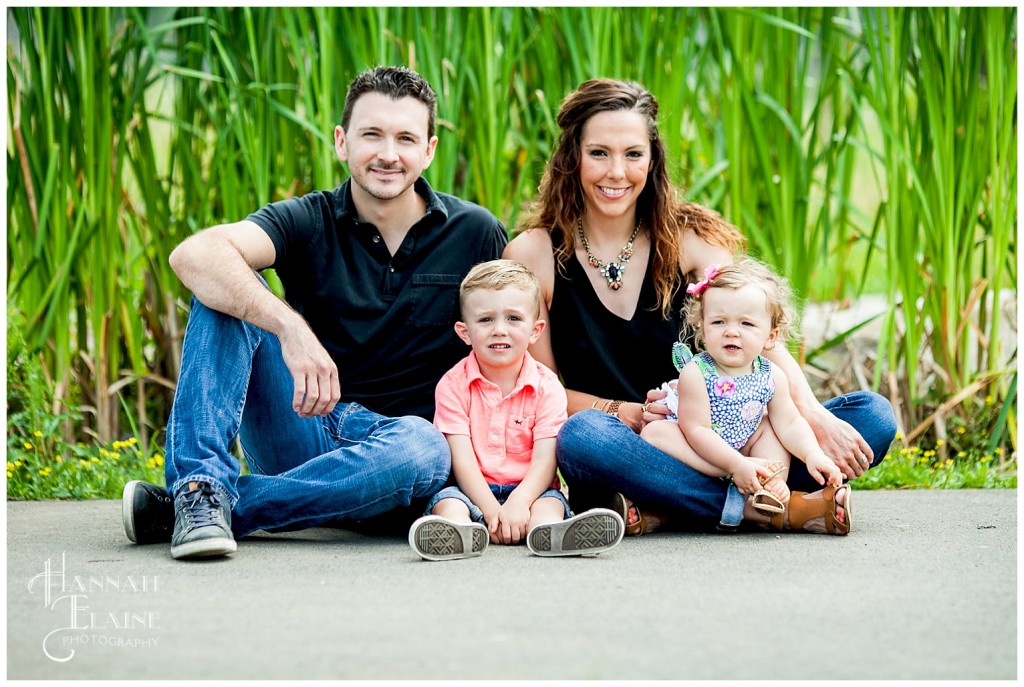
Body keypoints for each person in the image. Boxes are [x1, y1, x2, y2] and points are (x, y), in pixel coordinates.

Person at [121, 66, 508, 560]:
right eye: (372, 135)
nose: (388, 154)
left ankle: (208, 506)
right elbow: (193, 255)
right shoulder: (308, 218)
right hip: (305, 420)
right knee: (228, 289)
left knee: (424, 444)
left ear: (429, 150)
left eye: (406, 138)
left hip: (400, 454)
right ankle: (199, 487)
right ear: (342, 141)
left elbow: (510, 341)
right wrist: (289, 328)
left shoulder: (475, 231)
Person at [503, 77, 896, 535]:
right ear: (572, 158)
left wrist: (812, 415)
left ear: (653, 161)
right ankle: (773, 507)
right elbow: (542, 390)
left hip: (734, 433)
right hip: (635, 446)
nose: (616, 172)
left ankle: (669, 507)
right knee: (580, 438)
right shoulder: (533, 254)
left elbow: (759, 338)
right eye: (599, 153)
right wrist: (622, 411)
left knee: (872, 416)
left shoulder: (689, 240)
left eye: (633, 154)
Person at [408, 260, 624, 560]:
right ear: (464, 332)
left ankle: (549, 532)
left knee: (550, 504)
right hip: (472, 491)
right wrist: (490, 509)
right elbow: (462, 458)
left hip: (531, 492)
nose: (499, 330)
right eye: (485, 320)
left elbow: (545, 459)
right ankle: (459, 531)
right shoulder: (453, 385)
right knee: (448, 503)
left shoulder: (547, 386)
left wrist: (520, 503)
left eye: (513, 318)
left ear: (535, 330)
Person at [641, 258, 850, 534]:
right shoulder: (697, 372)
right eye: (718, 321)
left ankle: (770, 483)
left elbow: (790, 423)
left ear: (771, 336)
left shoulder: (771, 374)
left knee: (771, 427)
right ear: (702, 328)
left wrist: (812, 454)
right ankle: (739, 482)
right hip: (701, 451)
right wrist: (735, 465)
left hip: (746, 439)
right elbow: (697, 431)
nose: (731, 331)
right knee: (655, 433)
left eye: (747, 324)